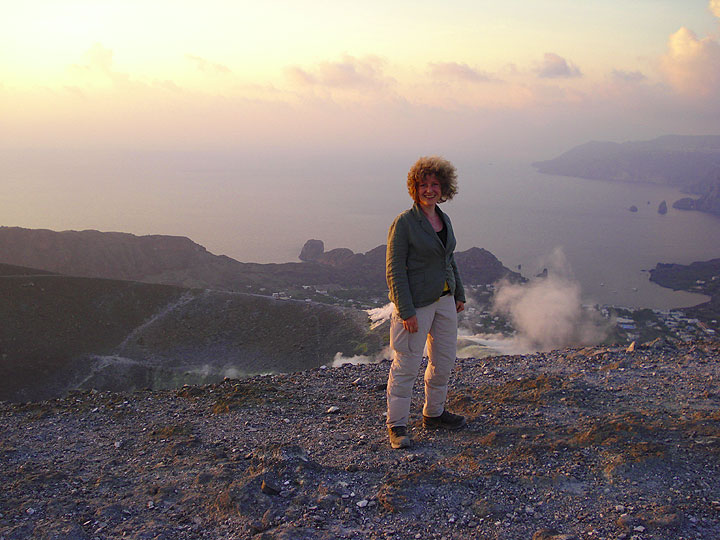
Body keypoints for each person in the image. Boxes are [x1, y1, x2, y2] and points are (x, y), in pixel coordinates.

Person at [385, 155, 466, 450]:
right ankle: (397, 425)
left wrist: (458, 293)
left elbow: (449, 258)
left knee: (443, 361)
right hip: (416, 304)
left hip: (444, 301)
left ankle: (433, 413)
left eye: (435, 184)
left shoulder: (443, 219)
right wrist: (405, 310)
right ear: (414, 188)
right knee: (406, 365)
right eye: (423, 185)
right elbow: (394, 269)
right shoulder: (405, 223)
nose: (429, 190)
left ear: (444, 188)